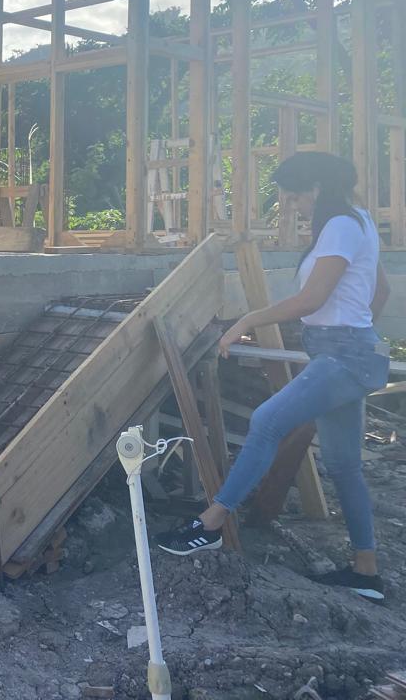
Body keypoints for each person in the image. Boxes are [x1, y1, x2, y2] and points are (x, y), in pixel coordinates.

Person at [157, 152, 390, 601]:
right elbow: (382, 290)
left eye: (295, 197)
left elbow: (311, 299)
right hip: (349, 350)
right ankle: (366, 573)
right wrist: (359, 331)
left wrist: (248, 319)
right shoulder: (358, 220)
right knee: (344, 466)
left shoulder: (341, 226)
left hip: (342, 355)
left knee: (266, 421)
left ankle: (210, 524)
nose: (293, 206)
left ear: (316, 188)